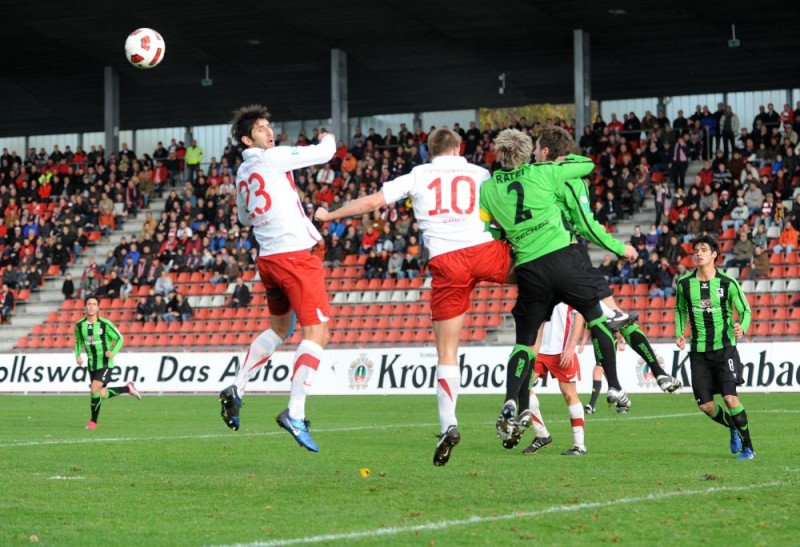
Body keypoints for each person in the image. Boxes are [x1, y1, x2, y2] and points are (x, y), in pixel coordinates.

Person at [316, 128, 513, 466]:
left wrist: (330, 215)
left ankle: (448, 423)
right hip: (485, 251)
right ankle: (581, 309)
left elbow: (374, 202)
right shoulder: (480, 173)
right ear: (458, 148)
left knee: (447, 351)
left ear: (429, 151)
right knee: (539, 274)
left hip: (446, 261)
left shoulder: (418, 174)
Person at [478, 127, 631, 444]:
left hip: (529, 268)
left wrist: (506, 236)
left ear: (500, 154)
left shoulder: (488, 188)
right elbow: (587, 165)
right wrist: (562, 157)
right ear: (526, 153)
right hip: (562, 257)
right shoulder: (543, 173)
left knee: (524, 344)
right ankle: (614, 384)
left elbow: (487, 230)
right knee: (594, 314)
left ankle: (511, 399)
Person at [218, 104, 336, 453]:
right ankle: (295, 413)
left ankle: (237, 387)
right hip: (294, 256)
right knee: (318, 333)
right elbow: (326, 152)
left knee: (279, 329)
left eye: (269, 126)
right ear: (246, 138)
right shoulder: (272, 158)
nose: (269, 132)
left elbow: (242, 218)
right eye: (261, 129)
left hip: (268, 258)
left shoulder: (242, 172)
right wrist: (325, 134)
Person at [675, 235, 755, 460]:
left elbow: (746, 310)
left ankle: (748, 447)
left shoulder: (727, 283)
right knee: (707, 406)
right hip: (698, 352)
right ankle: (732, 426)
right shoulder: (684, 284)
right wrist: (679, 333)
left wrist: (742, 328)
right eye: (696, 250)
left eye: (703, 249)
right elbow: (680, 310)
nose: (698, 253)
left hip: (725, 349)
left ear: (713, 255)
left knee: (730, 398)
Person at [518, 303, 588, 456]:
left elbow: (579, 317)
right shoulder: (540, 285)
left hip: (561, 350)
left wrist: (571, 347)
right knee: (522, 388)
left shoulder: (569, 285)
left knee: (569, 394)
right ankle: (542, 435)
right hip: (537, 349)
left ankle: (579, 445)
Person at [74, 295, 141, 430]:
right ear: (85, 307)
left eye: (94, 304)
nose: (91, 306)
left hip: (105, 363)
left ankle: (93, 421)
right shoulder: (80, 325)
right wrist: (77, 355)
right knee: (101, 394)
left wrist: (113, 352)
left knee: (94, 389)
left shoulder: (105, 324)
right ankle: (128, 388)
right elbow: (78, 341)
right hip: (92, 364)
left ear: (98, 307)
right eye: (89, 304)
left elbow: (119, 338)